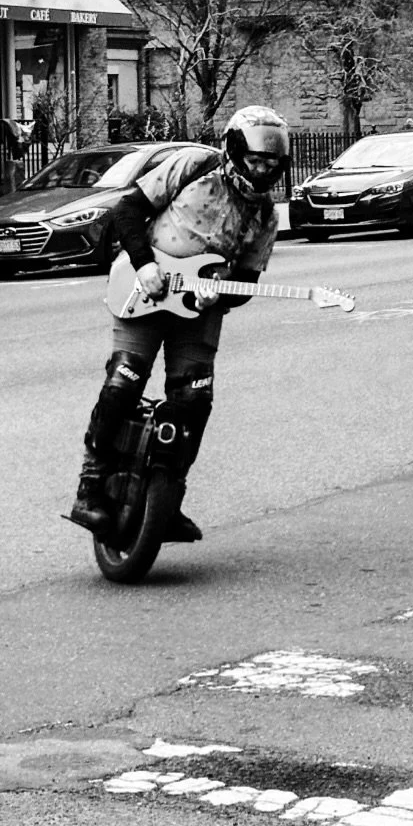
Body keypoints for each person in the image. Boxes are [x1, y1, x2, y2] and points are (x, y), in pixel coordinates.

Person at [70, 106, 290, 545]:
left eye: (271, 164)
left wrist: (224, 291)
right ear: (233, 148)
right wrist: (144, 264)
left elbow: (247, 282)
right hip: (143, 288)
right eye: (255, 160)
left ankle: (168, 502)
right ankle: (89, 487)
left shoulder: (265, 216)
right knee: (124, 380)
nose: (262, 171)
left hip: (199, 311)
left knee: (195, 401)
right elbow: (127, 210)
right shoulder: (194, 166)